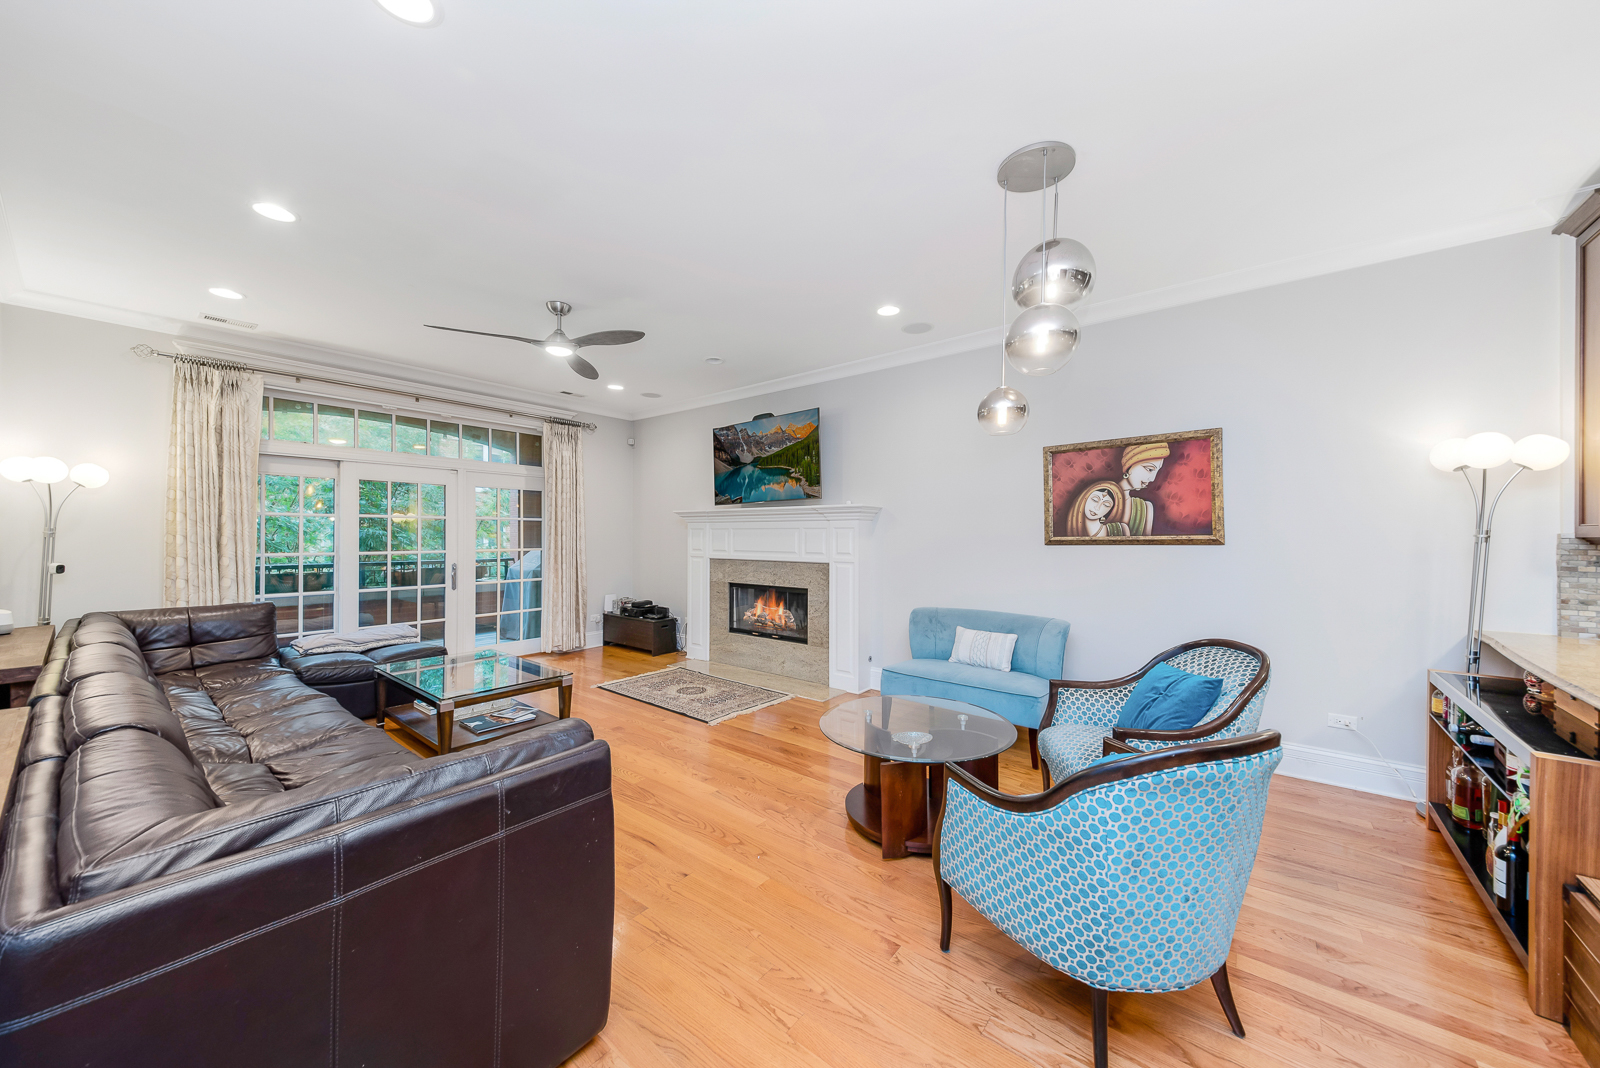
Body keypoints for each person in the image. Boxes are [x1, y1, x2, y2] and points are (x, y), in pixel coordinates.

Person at [1117, 441, 1170, 536]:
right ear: (1130, 465)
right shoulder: (1099, 497)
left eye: (1157, 471)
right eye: (1149, 469)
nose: (1152, 479)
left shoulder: (1146, 508)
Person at [1061, 480, 1130, 538]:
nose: (1097, 507)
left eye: (1106, 505)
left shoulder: (1121, 530)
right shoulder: (1070, 529)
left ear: (1111, 511)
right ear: (1084, 498)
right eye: (1094, 500)